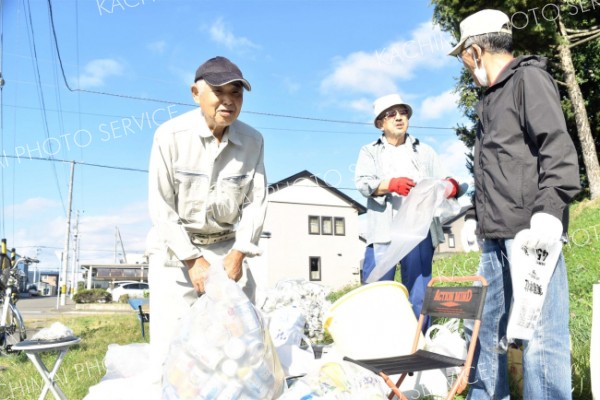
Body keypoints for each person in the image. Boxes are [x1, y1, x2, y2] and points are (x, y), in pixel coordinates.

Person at [449, 9, 581, 399]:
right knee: (487, 332)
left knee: (540, 336)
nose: (464, 63)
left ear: (474, 51)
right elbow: (494, 166)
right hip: (494, 236)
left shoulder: (529, 80)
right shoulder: (491, 97)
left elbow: (557, 148)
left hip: (530, 234)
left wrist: (550, 212)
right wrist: (476, 218)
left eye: (462, 56)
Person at [146, 56, 267, 377]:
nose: (228, 100)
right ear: (195, 92)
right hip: (175, 251)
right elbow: (161, 206)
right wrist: (191, 260)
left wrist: (240, 252)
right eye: (218, 91)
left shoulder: (252, 141)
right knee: (172, 347)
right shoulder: (170, 135)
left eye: (236, 93)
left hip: (227, 249)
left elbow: (256, 203)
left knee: (240, 341)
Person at [354, 94, 460, 323]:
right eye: (391, 114)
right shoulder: (370, 151)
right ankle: (378, 347)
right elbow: (362, 183)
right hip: (383, 231)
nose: (399, 117)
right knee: (377, 290)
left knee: (419, 292)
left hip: (417, 231)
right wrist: (389, 185)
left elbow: (445, 180)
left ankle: (418, 343)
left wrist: (451, 186)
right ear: (380, 123)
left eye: (403, 112)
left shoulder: (425, 151)